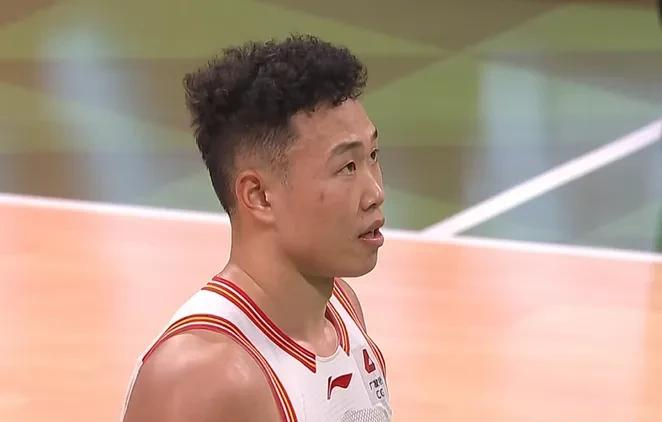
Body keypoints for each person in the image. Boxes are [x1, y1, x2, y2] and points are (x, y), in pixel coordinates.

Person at [121, 34, 391, 422]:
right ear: (259, 196)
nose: (375, 192)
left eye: (373, 156)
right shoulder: (201, 380)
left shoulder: (342, 310)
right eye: (347, 167)